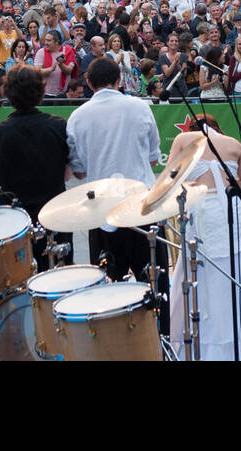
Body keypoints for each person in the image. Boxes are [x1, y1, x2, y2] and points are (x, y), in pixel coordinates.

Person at [66, 57, 167, 323]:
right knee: (155, 284)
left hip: (102, 210)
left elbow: (78, 171)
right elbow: (154, 159)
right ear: (120, 80)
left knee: (108, 287)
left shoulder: (78, 116)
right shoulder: (140, 107)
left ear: (88, 83)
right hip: (142, 207)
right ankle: (161, 336)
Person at [167, 113, 241, 361]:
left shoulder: (182, 139)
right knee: (230, 283)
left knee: (200, 282)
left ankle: (201, 343)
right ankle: (233, 345)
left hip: (202, 214)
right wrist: (226, 178)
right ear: (217, 128)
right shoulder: (233, 144)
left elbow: (168, 183)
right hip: (233, 217)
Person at [0, 64, 73, 271]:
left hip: (13, 225)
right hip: (54, 219)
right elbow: (68, 172)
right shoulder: (58, 126)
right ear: (41, 93)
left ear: (8, 94)